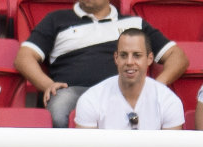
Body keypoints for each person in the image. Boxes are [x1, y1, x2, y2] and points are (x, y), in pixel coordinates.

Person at [15, 0, 186, 129]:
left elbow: (178, 57)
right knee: (59, 106)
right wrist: (47, 85)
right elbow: (24, 58)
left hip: (124, 92)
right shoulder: (56, 19)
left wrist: (157, 85)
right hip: (75, 91)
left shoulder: (134, 24)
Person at [74, 29, 184, 147]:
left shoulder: (169, 100)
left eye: (137, 55)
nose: (129, 62)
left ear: (149, 58)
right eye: (124, 55)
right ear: (116, 58)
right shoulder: (92, 98)